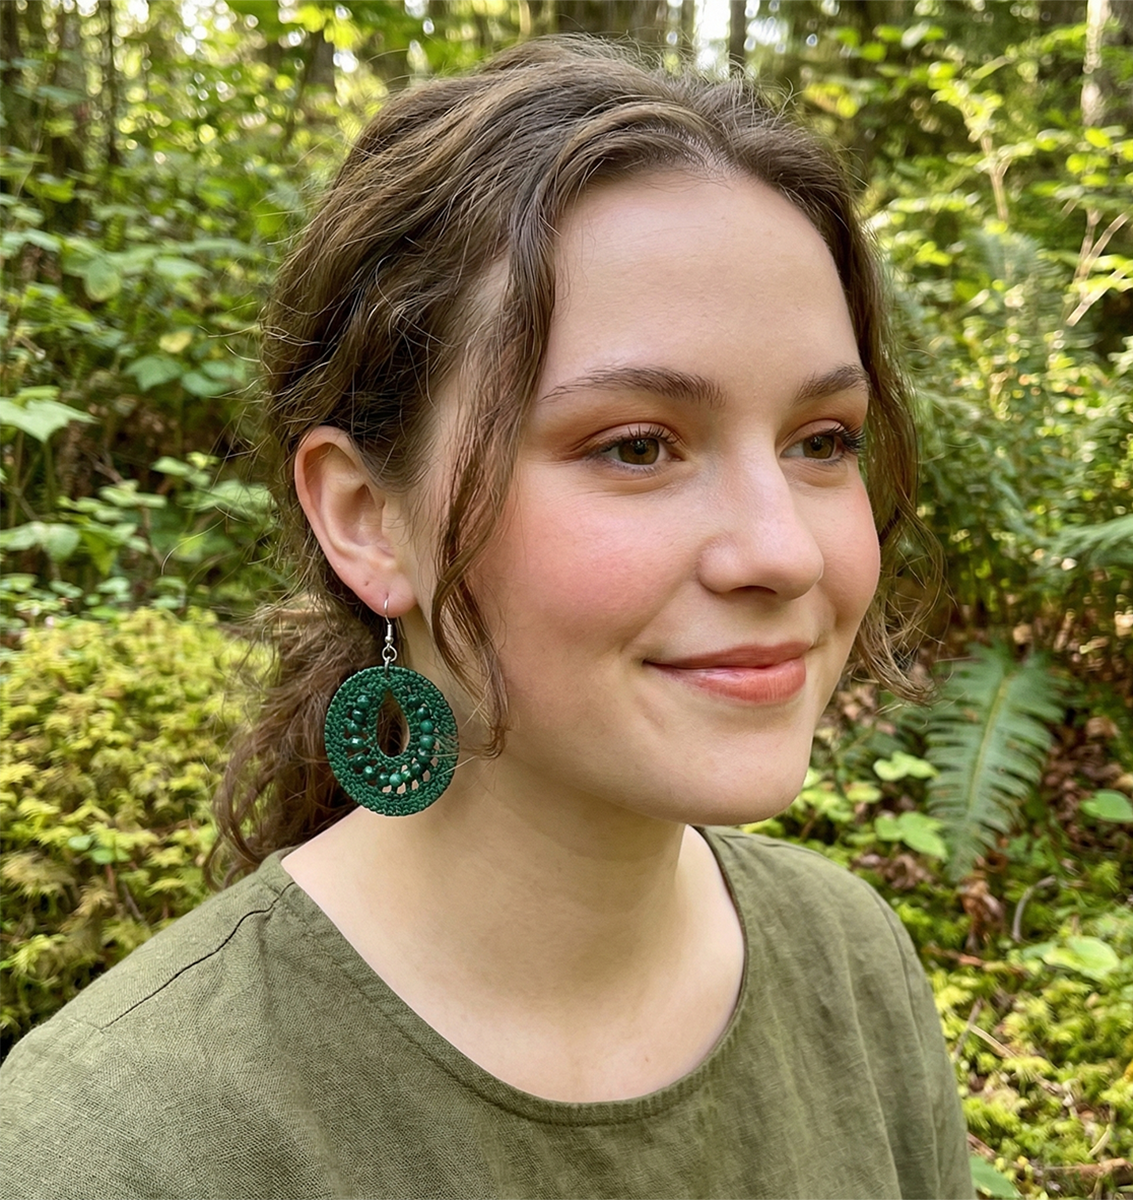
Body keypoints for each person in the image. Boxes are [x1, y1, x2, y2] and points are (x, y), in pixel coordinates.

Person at [0, 36, 973, 1198]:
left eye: (822, 443)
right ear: (368, 519)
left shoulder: (851, 968)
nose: (783, 548)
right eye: (636, 446)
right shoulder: (117, 1144)